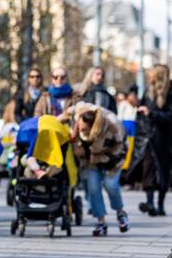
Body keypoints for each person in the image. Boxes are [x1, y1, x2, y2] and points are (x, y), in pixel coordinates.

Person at [64, 102, 129, 235]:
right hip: (92, 159)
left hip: (112, 158)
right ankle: (101, 222)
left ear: (93, 128)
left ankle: (120, 213)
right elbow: (76, 107)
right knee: (93, 188)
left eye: (83, 129)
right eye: (79, 126)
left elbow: (121, 147)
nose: (80, 130)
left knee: (111, 185)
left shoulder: (113, 126)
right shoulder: (81, 116)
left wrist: (106, 158)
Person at [135, 65, 172, 216]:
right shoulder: (147, 91)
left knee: (163, 170)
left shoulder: (169, 91)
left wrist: (152, 114)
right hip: (147, 137)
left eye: (151, 74)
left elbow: (170, 116)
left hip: (164, 138)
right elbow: (141, 114)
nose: (148, 77)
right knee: (148, 168)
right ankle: (150, 203)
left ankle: (160, 205)